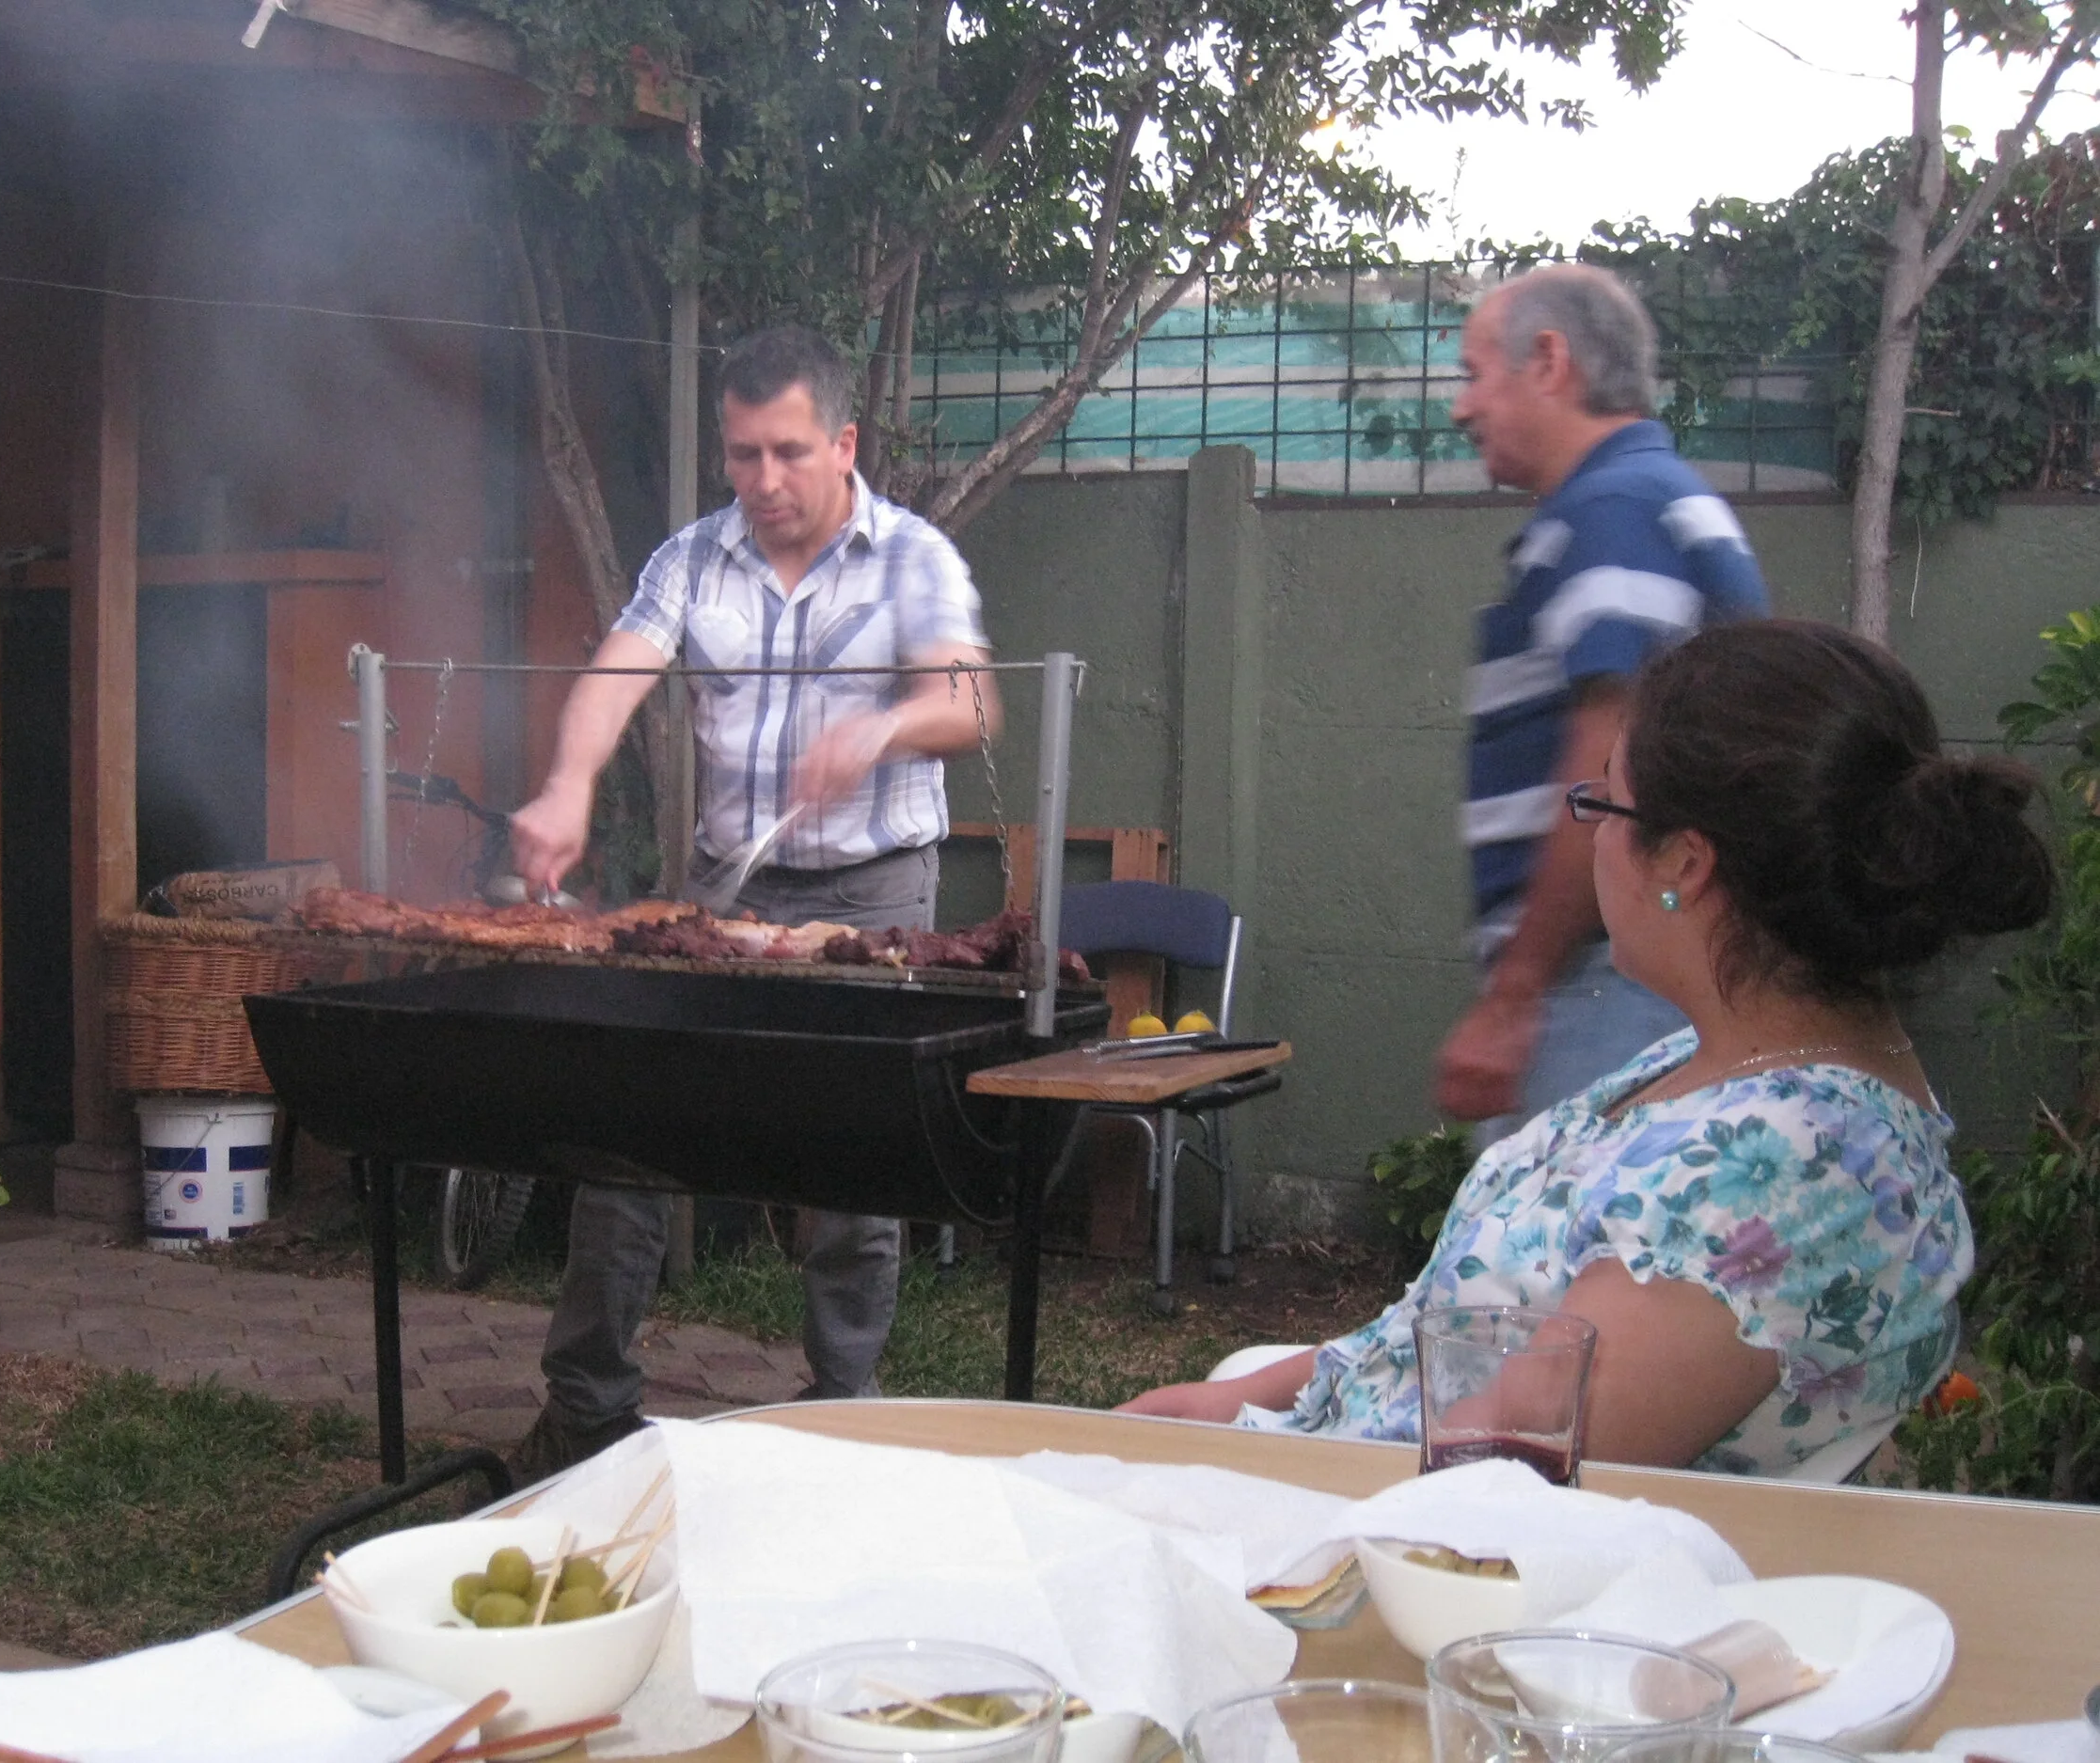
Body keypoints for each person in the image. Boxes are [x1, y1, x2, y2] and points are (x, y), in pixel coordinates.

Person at [1121, 621, 2054, 1472]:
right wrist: (1235, 1400)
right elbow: (1451, 1328)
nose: (1585, 836)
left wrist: (1228, 1478)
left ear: (1684, 864)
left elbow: (1492, 1497)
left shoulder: (1780, 1178)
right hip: (1341, 1477)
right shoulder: (1722, 1071)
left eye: (1599, 805)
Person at [506, 324, 999, 1479]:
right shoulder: (692, 558)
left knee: (851, 1157)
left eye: (785, 453)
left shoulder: (913, 559)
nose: (763, 483)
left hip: (876, 888)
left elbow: (973, 705)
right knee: (629, 1127)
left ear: (841, 442)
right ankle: (584, 1407)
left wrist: (881, 725)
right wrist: (568, 785)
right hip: (728, 887)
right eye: (741, 457)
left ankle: (843, 1413)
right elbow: (620, 669)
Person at [1435, 263, 1770, 1134]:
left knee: (1566, 1267)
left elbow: (1611, 762)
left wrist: (1514, 997)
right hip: (1629, 978)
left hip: (1614, 985)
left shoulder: (1618, 508)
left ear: (1549, 360)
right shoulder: (1641, 501)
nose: (1460, 408)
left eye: (1474, 374)